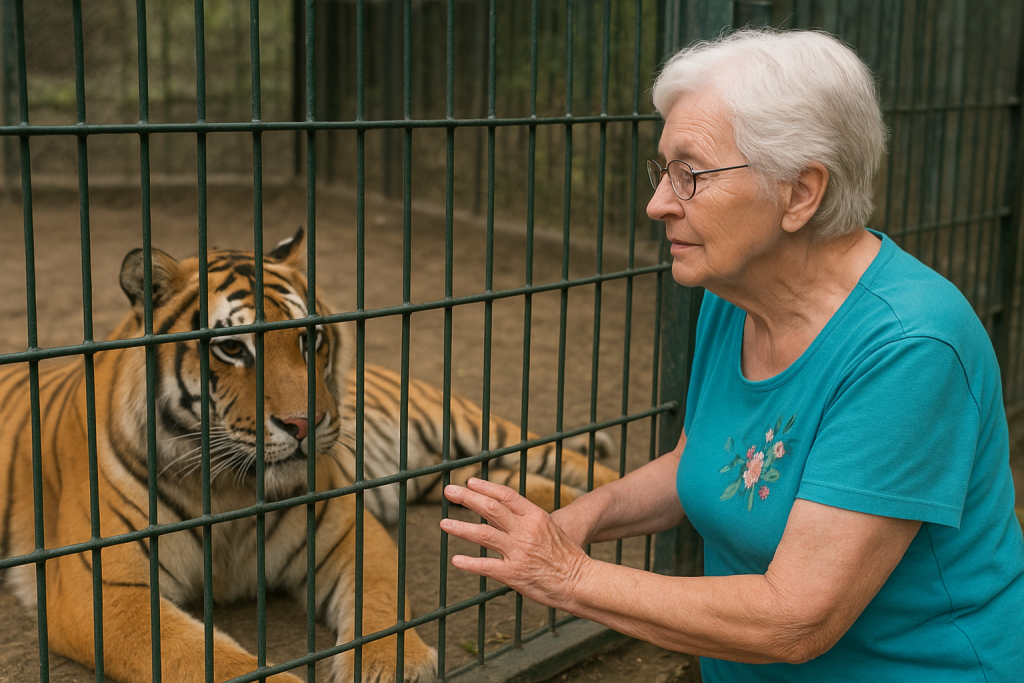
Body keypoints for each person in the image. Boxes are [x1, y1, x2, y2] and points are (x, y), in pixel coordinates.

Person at [440, 27, 1024, 682]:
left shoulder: (911, 347)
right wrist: (583, 516)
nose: (657, 202)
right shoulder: (736, 291)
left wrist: (569, 575)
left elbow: (796, 616)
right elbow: (703, 462)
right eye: (663, 169)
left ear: (800, 192)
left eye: (691, 174)